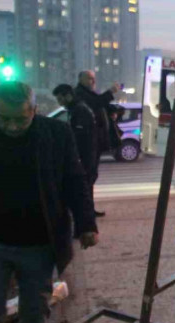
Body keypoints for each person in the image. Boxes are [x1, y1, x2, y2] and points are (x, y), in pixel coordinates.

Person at [0, 82, 99, 323]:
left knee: (34, 314)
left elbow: (74, 181)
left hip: (39, 244)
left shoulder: (55, 135)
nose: (12, 126)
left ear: (34, 111)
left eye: (20, 119)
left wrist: (86, 224)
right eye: (4, 119)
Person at [75, 70, 120, 217]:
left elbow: (101, 105)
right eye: (89, 78)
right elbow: (95, 104)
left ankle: (89, 209)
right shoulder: (80, 94)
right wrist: (111, 92)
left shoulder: (90, 92)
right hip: (87, 143)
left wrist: (113, 111)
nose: (92, 81)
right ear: (80, 79)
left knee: (91, 177)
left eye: (93, 78)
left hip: (96, 142)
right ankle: (85, 212)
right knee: (87, 178)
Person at [53, 84, 98, 222]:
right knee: (84, 189)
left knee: (81, 191)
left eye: (60, 98)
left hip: (84, 157)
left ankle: (83, 226)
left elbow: (78, 137)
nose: (59, 102)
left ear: (68, 95)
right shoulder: (76, 108)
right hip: (86, 156)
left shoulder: (79, 111)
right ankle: (86, 219)